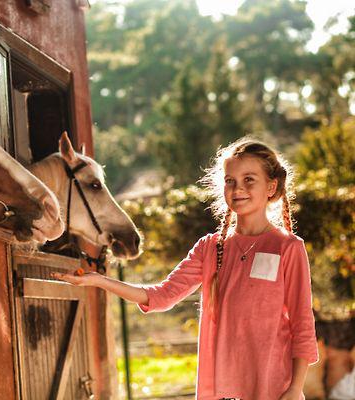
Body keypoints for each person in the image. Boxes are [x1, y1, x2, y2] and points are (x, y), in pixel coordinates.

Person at [52, 138, 319, 400]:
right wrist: (99, 280)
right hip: (221, 391)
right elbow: (160, 296)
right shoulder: (210, 248)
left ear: (271, 186)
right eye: (230, 181)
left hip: (275, 388)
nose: (238, 188)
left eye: (249, 179)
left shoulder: (288, 248)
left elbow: (302, 325)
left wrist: (294, 389)